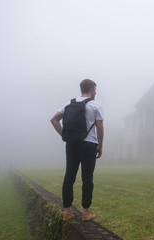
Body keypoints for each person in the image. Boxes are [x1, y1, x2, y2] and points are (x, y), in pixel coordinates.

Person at [50, 79, 104, 221]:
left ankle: (67, 212)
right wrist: (100, 145)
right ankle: (86, 212)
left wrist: (65, 136)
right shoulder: (96, 105)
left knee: (69, 177)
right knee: (87, 178)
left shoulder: (69, 103)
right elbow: (100, 127)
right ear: (92, 88)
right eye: (95, 89)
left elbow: (53, 119)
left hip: (72, 144)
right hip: (89, 145)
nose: (96, 92)